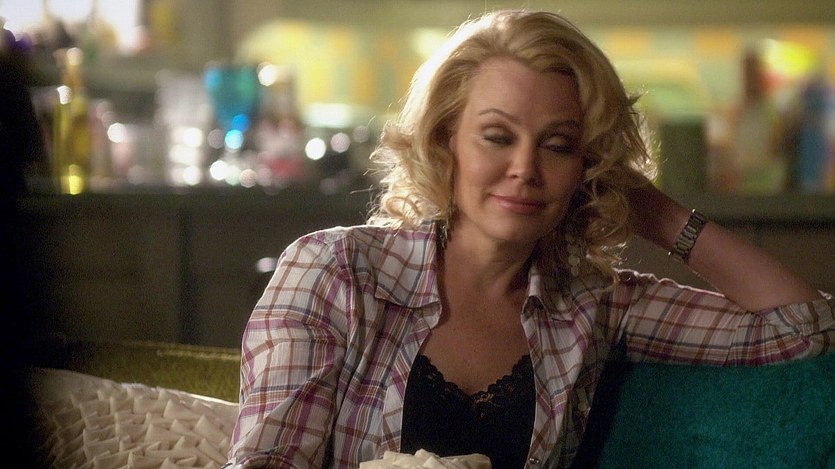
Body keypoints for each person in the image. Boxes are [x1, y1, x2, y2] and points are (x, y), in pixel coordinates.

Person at [224, 9, 834, 469]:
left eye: (559, 145)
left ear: (588, 165)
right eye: (497, 136)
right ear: (445, 141)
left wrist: (656, 212)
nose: (525, 168)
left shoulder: (595, 305)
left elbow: (804, 327)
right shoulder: (335, 270)